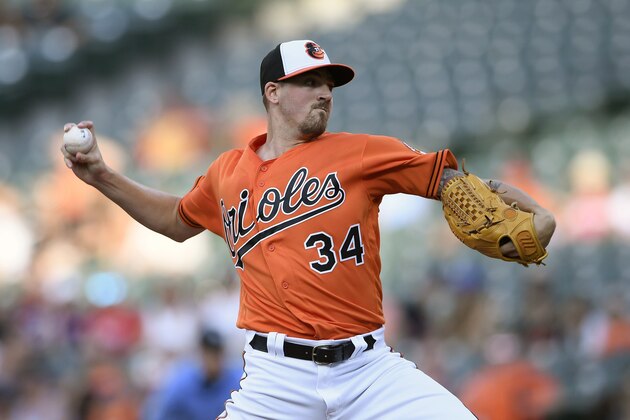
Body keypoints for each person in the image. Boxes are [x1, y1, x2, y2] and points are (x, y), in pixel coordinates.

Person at [61, 39, 556, 419]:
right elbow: (175, 221)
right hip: (276, 377)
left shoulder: (362, 151)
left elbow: (449, 180)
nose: (324, 92)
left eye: (329, 84)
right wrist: (102, 176)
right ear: (272, 93)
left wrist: (502, 197)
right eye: (309, 81)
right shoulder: (226, 172)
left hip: (368, 370)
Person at [143, 328, 243, 420]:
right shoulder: (182, 383)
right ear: (201, 354)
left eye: (216, 353)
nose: (213, 359)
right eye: (209, 353)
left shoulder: (236, 381)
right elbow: (158, 412)